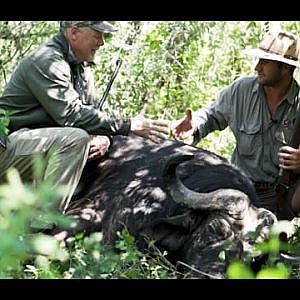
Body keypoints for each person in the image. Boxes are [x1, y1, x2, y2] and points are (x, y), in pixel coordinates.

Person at [0, 21, 170, 218]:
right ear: (74, 33)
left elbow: (93, 115)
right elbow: (71, 114)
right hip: (7, 146)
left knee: (86, 140)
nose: (102, 43)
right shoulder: (47, 60)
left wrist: (105, 139)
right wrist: (129, 125)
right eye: (97, 35)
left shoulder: (81, 68)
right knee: (75, 139)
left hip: (29, 148)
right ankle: (40, 229)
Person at [171, 31, 300, 220]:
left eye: (265, 62)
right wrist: (194, 125)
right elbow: (211, 115)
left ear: (286, 68)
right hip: (241, 189)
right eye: (258, 60)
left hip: (283, 196)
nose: (257, 67)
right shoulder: (242, 90)